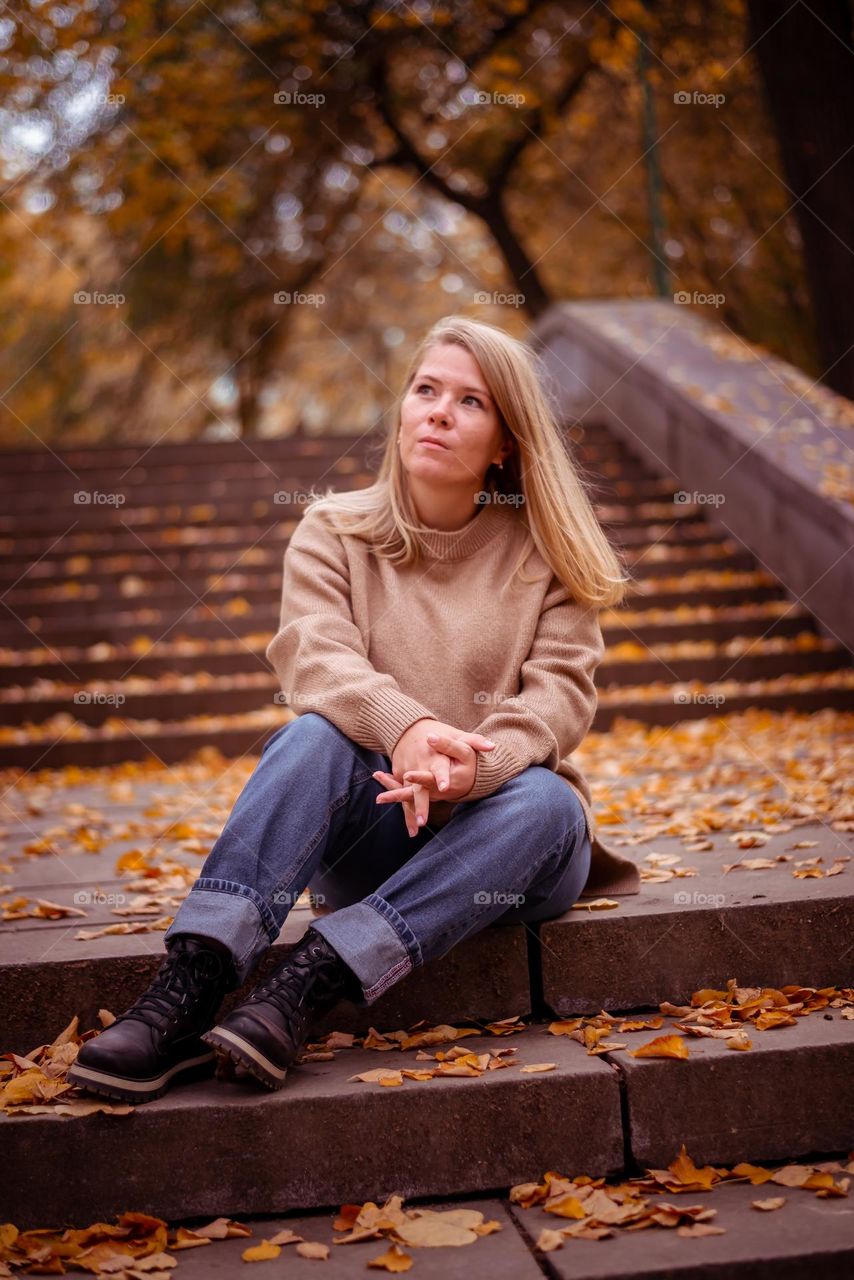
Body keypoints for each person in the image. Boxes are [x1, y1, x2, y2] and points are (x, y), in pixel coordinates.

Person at [68, 314, 640, 1105]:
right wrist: (404, 729)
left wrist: (470, 767)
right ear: (403, 409)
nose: (437, 410)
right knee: (310, 737)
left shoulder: (551, 556)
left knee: (550, 800)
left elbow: (559, 698)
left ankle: (307, 983)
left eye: (470, 402)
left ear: (506, 441)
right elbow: (316, 654)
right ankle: (192, 986)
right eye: (425, 389)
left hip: (506, 848)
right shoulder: (334, 530)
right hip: (377, 826)